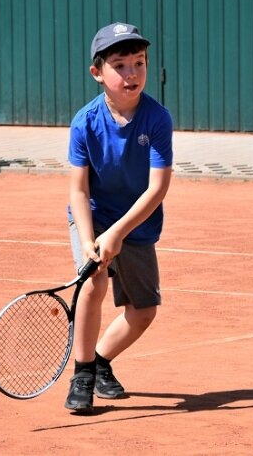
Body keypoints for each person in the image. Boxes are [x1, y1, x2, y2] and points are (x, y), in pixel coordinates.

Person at [64, 22, 173, 412]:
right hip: (91, 214)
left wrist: (119, 233)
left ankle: (102, 361)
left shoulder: (157, 119)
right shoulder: (85, 122)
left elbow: (156, 189)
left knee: (143, 311)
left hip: (137, 221)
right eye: (120, 65)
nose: (132, 73)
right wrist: (94, 237)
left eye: (139, 63)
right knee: (93, 282)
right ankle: (82, 374)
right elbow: (78, 189)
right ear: (98, 73)